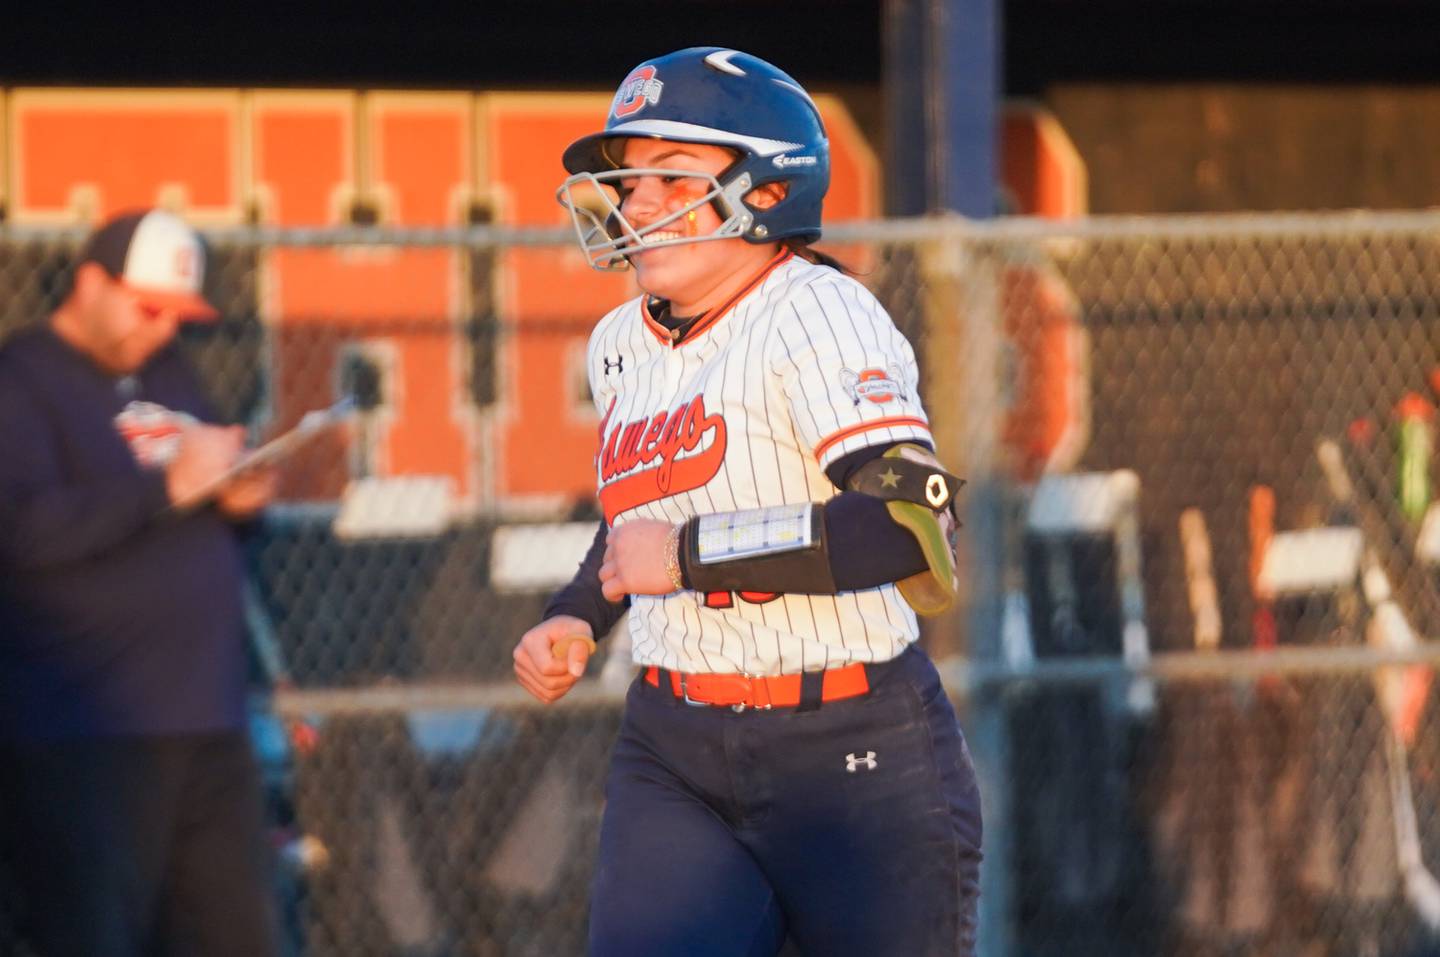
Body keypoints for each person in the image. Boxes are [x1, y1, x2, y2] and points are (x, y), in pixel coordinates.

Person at [513, 47, 983, 956]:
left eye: (668, 175)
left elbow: (909, 521)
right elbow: (638, 517)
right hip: (672, 744)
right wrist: (578, 610)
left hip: (850, 749)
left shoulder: (816, 311)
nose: (635, 200)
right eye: (630, 178)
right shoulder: (619, 340)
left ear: (767, 193)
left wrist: (689, 556)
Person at [0, 209, 279, 956]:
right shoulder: (21, 378)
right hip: (87, 734)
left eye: (178, 315)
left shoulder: (169, 372)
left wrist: (240, 501)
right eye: (148, 308)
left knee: (238, 937)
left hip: (208, 722)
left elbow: (205, 508)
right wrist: (165, 491)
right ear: (91, 283)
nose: (162, 330)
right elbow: (19, 532)